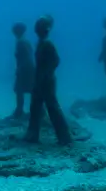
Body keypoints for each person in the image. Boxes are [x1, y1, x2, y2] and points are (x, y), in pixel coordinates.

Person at [25, 15, 73, 145]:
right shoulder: (40, 44)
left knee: (52, 108)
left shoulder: (47, 44)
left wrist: (46, 74)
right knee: (35, 107)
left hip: (46, 81)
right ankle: (32, 134)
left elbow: (56, 60)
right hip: (39, 80)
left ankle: (64, 137)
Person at [11, 22, 35, 119]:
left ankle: (19, 110)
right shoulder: (26, 42)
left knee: (19, 90)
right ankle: (36, 110)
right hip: (30, 68)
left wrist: (19, 69)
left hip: (25, 69)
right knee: (30, 89)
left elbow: (24, 58)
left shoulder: (20, 42)